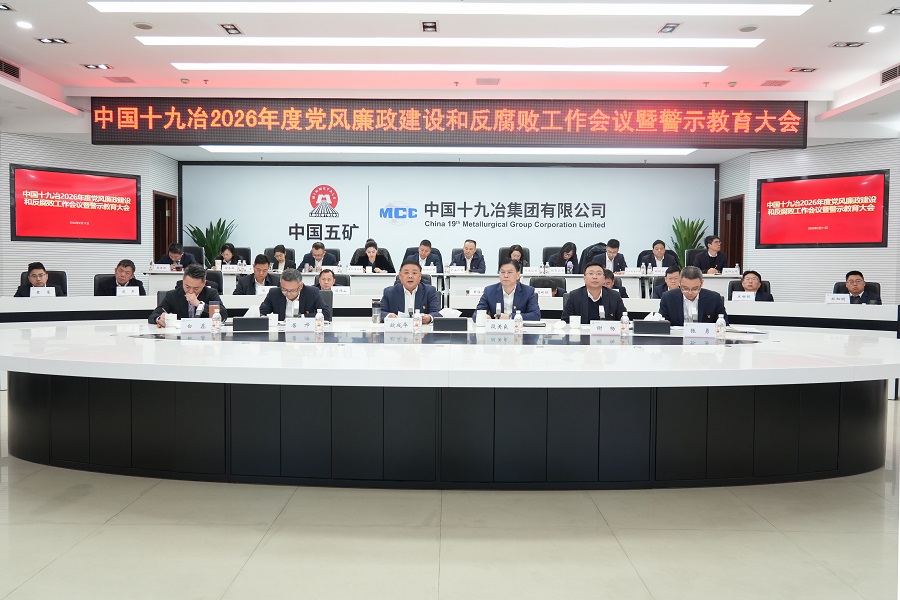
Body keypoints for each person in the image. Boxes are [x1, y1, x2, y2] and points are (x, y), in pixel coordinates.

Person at [149, 263, 227, 326]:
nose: (191, 291)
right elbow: (153, 316)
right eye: (187, 287)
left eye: (196, 288)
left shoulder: (211, 293)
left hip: (204, 335)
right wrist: (159, 319)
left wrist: (199, 304)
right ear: (183, 280)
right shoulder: (172, 295)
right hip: (179, 336)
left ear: (204, 283)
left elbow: (223, 315)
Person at [474, 258, 540, 320]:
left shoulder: (528, 291)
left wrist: (510, 317)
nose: (505, 276)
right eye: (502, 272)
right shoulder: (489, 291)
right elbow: (476, 314)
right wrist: (483, 316)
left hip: (519, 327)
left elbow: (536, 315)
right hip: (498, 328)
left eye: (510, 272)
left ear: (518, 275)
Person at [659, 265, 727, 326]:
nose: (690, 292)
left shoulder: (714, 298)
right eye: (685, 288)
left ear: (702, 283)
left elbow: (724, 325)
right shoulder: (668, 298)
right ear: (679, 283)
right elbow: (662, 325)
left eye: (695, 289)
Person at [561, 261, 626, 323]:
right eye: (591, 273)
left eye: (599, 274)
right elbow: (565, 322)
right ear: (584, 278)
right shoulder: (574, 296)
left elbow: (623, 320)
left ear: (604, 278)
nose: (595, 277)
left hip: (606, 331)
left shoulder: (615, 296)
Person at [259, 267, 331, 320]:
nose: (288, 294)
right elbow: (261, 313)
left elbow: (326, 314)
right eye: (284, 289)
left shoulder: (312, 293)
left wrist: (302, 318)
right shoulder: (274, 293)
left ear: (301, 286)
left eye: (292, 290)